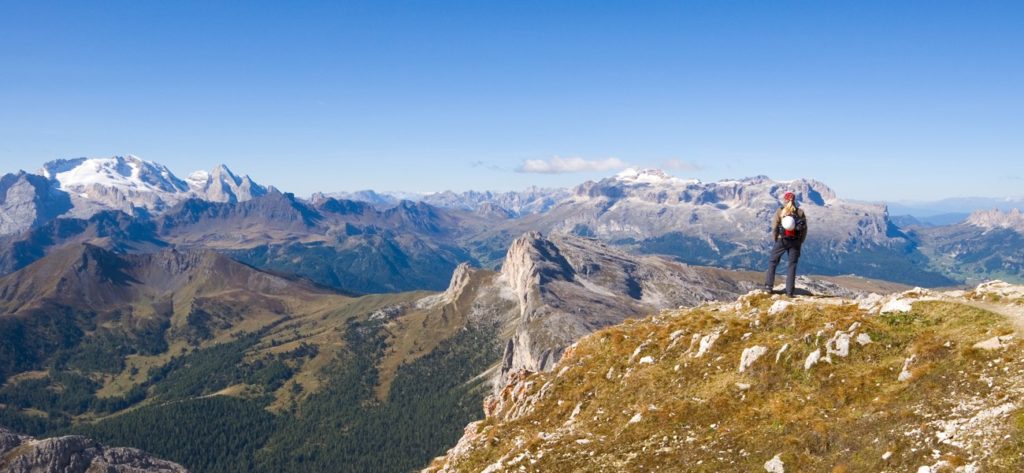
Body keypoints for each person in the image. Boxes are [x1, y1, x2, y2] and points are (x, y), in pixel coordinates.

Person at [764, 191, 807, 297]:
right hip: (795, 241)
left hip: (781, 240)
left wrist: (776, 239)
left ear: (785, 200)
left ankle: (769, 287)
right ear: (794, 200)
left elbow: (774, 227)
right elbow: (804, 229)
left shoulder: (780, 211)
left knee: (773, 262)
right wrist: (800, 241)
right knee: (792, 265)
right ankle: (789, 292)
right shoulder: (800, 212)